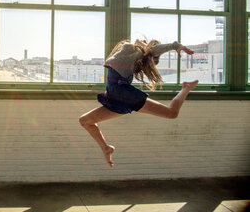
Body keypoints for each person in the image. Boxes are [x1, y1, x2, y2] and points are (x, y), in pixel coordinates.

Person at [79, 39, 198, 167]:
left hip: (119, 96)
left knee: (172, 113)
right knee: (85, 121)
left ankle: (186, 88)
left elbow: (152, 51)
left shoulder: (132, 56)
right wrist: (175, 46)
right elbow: (153, 49)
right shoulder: (132, 49)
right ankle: (106, 148)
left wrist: (174, 47)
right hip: (118, 97)